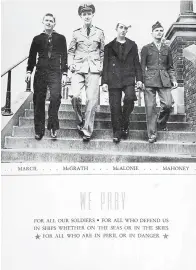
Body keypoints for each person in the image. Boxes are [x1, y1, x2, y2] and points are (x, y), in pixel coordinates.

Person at [25, 13, 68, 140]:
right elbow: (32, 56)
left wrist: (65, 73)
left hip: (55, 72)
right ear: (43, 22)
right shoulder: (37, 39)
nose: (48, 22)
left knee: (55, 98)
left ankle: (53, 126)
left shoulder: (61, 38)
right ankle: (39, 130)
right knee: (38, 100)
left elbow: (64, 57)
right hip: (40, 72)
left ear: (54, 23)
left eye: (51, 21)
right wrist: (29, 71)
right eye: (46, 20)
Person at [68, 3, 105, 142]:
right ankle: (80, 121)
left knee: (91, 99)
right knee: (74, 95)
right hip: (78, 68)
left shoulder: (99, 32)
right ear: (81, 16)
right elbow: (71, 51)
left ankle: (87, 131)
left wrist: (101, 66)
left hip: (94, 69)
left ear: (93, 15)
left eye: (89, 14)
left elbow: (102, 52)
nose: (87, 16)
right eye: (84, 14)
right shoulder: (76, 33)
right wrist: (70, 63)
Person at [101, 21, 143, 143]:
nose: (123, 30)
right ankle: (117, 131)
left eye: (125, 28)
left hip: (128, 78)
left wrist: (139, 79)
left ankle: (125, 123)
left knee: (130, 98)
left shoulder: (132, 45)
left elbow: (137, 63)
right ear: (116, 29)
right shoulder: (109, 47)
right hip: (113, 79)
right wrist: (104, 81)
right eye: (121, 27)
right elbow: (106, 65)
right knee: (115, 106)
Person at [141, 21, 178, 143]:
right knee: (150, 108)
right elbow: (142, 67)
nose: (159, 32)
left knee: (167, 104)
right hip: (150, 80)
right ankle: (152, 134)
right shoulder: (146, 48)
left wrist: (173, 79)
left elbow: (170, 67)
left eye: (161, 30)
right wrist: (140, 81)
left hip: (164, 80)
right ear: (152, 33)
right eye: (157, 30)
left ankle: (161, 123)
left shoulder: (167, 48)